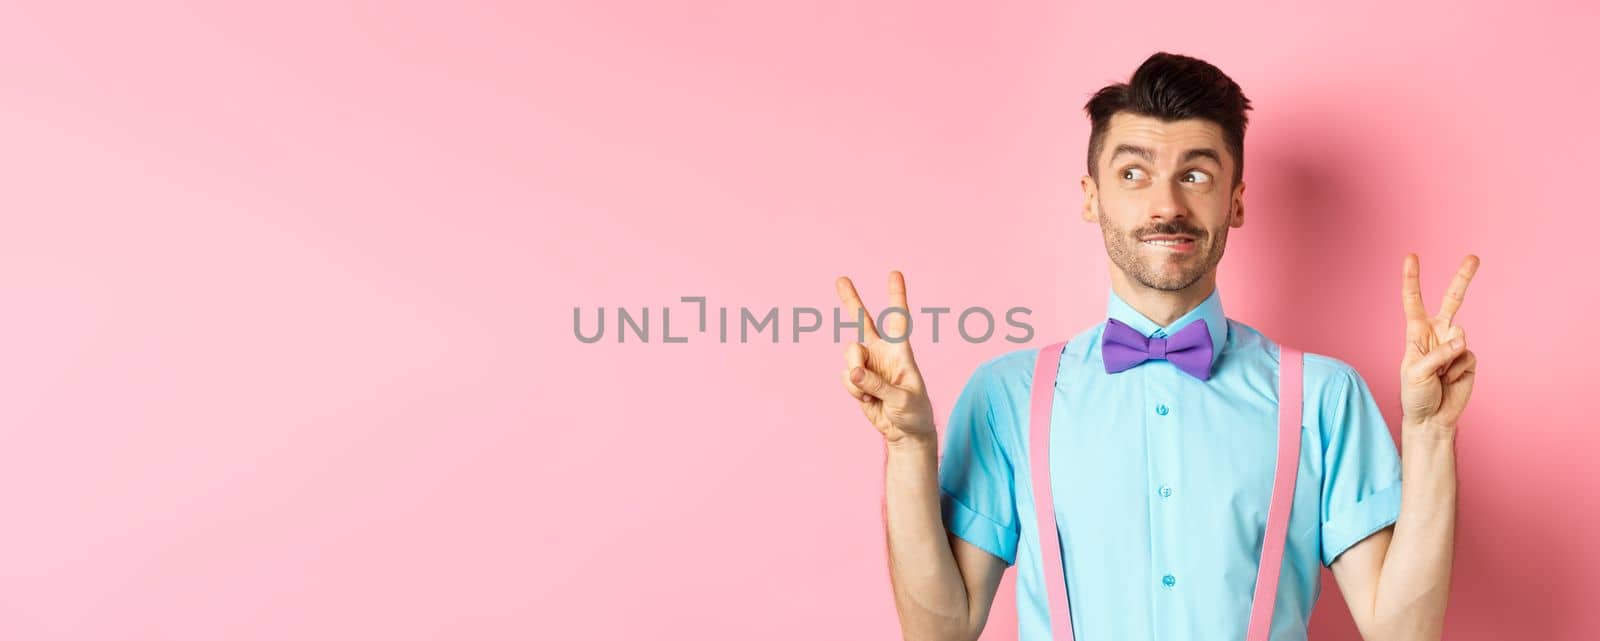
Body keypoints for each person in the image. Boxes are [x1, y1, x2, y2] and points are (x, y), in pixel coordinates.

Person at [835, 51, 1478, 641]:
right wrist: (908, 448)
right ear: (1092, 199)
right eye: (1134, 172)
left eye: (1195, 175)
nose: (1165, 205)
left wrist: (1431, 435)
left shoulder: (1325, 396)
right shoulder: (1007, 395)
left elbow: (1403, 633)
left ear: (1237, 202)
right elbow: (941, 631)